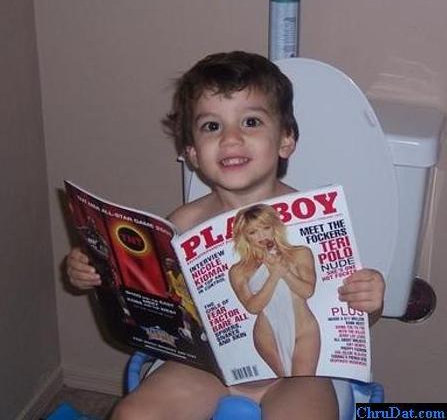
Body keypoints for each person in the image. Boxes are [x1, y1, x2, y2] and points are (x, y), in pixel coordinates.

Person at [66, 51, 385, 420]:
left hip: (295, 371)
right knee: (133, 415)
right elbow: (151, 293)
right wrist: (95, 271)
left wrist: (370, 300)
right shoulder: (182, 223)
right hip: (205, 367)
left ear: (285, 140)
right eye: (212, 126)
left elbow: (346, 313)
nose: (231, 138)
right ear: (192, 153)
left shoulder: (313, 217)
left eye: (250, 121)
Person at [230, 203, 320, 377]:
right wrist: (274, 275)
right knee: (287, 384)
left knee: (304, 383)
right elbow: (253, 307)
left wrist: (284, 271)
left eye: (266, 228)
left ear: (275, 227)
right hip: (267, 334)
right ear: (244, 236)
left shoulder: (300, 253)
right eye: (253, 232)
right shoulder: (239, 270)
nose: (262, 235)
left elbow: (307, 291)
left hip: (303, 328)